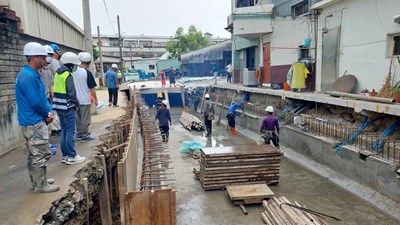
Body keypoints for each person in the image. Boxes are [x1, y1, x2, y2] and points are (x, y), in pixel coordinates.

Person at [15, 42, 59, 193]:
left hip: (36, 118)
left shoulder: (33, 75)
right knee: (40, 153)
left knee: (35, 152)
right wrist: (46, 114)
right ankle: (40, 185)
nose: (45, 60)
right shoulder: (27, 76)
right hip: (33, 121)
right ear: (34, 58)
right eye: (42, 57)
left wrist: (49, 110)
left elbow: (42, 97)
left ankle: (39, 181)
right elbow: (35, 102)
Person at [53, 52, 86, 165]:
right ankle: (72, 156)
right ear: (70, 64)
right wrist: (76, 104)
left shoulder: (58, 73)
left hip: (59, 106)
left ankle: (65, 155)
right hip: (67, 106)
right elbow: (72, 93)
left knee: (64, 131)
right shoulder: (68, 75)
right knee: (70, 132)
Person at [73, 52, 98, 142]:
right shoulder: (87, 73)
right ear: (89, 62)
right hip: (84, 99)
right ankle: (84, 135)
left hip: (75, 100)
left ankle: (79, 134)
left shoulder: (73, 71)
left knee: (78, 118)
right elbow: (92, 88)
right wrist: (96, 99)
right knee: (85, 119)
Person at [41, 45, 58, 154]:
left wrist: (52, 96)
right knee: (42, 125)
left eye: (51, 55)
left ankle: (47, 144)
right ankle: (45, 147)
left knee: (47, 125)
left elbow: (51, 83)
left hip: (47, 98)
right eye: (48, 55)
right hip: (41, 100)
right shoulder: (38, 71)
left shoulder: (48, 68)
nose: (50, 57)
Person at [48, 43, 62, 136]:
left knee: (51, 108)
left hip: (49, 88)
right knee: (55, 109)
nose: (60, 53)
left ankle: (54, 128)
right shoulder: (55, 62)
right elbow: (58, 75)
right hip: (54, 88)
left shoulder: (48, 63)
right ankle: (56, 128)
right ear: (54, 52)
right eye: (58, 51)